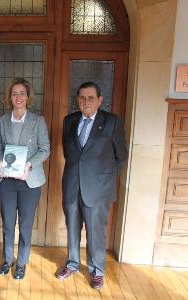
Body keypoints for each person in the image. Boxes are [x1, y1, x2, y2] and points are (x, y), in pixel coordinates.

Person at [55, 81, 128, 289]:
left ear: (99, 100)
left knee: (96, 232)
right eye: (82, 98)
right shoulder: (69, 120)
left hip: (98, 189)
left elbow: (120, 155)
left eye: (91, 98)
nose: (86, 102)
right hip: (72, 185)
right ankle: (72, 264)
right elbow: (70, 153)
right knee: (72, 228)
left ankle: (97, 270)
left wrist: (105, 179)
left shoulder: (112, 122)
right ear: (77, 100)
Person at [0, 78, 50, 279]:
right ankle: (8, 260)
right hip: (7, 181)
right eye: (14, 93)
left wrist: (28, 165)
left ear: (28, 97)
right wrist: (0, 162)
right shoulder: (1, 120)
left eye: (22, 93)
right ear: (10, 97)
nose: (18, 97)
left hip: (29, 181)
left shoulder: (38, 121)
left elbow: (45, 149)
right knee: (8, 223)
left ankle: (22, 263)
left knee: (26, 225)